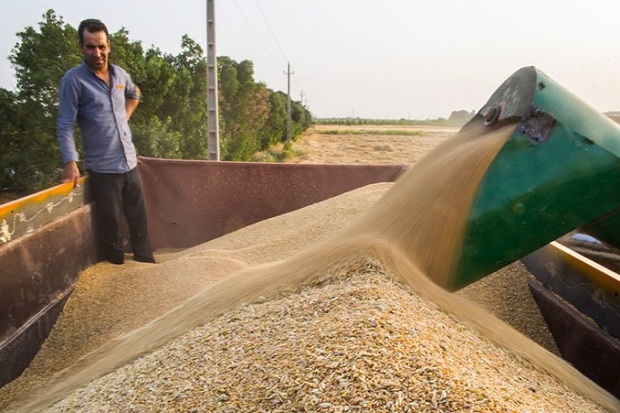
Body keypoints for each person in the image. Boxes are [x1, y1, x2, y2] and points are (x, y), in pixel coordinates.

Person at [57, 18, 155, 265]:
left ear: (108, 45)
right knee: (111, 228)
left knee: (139, 221)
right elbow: (65, 123)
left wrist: (124, 115)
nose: (97, 53)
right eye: (91, 47)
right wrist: (70, 162)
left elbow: (135, 93)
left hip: (129, 162)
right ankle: (116, 271)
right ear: (81, 47)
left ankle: (147, 265)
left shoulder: (120, 74)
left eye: (101, 46)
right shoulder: (74, 80)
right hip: (103, 169)